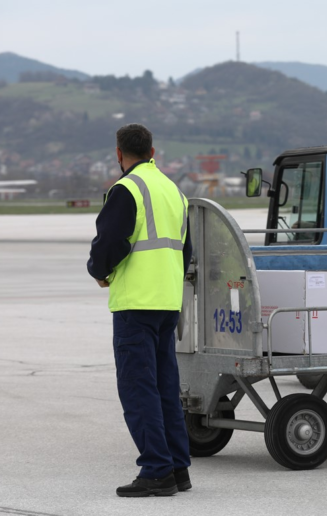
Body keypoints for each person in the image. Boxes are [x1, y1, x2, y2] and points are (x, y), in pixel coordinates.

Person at [87, 123, 193, 498]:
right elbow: (186, 251)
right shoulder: (174, 191)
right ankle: (178, 468)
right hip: (167, 303)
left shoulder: (127, 189)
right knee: (165, 386)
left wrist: (99, 272)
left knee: (138, 388)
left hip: (136, 305)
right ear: (153, 151)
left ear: (119, 154)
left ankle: (156, 470)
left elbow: (110, 242)